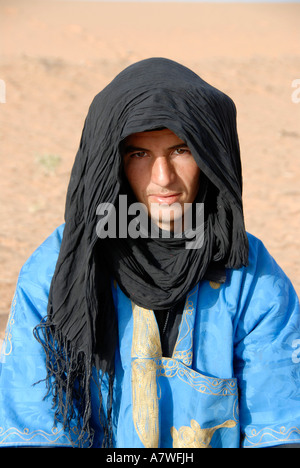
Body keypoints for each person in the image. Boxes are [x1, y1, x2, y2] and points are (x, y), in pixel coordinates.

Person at [0, 58, 299, 449]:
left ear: (211, 156)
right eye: (138, 154)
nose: (163, 178)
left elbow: (280, 426)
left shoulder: (248, 274)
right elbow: (32, 428)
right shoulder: (59, 268)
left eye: (181, 150)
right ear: (111, 163)